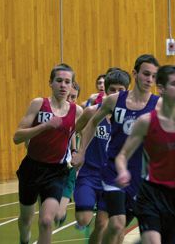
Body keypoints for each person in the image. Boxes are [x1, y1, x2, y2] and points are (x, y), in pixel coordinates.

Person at [115, 65, 175, 244]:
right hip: (151, 194)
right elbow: (122, 155)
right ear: (160, 88)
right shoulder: (146, 122)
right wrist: (123, 171)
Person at [72, 54, 160, 244]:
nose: (149, 79)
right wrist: (80, 152)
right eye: (146, 74)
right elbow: (92, 123)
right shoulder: (114, 101)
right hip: (113, 170)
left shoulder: (159, 105)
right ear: (135, 74)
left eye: (154, 76)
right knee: (113, 224)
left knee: (119, 230)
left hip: (141, 176)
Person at [13, 63, 83, 244]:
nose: (63, 85)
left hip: (56, 172)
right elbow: (17, 137)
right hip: (31, 168)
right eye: (59, 81)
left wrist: (79, 151)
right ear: (50, 83)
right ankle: (24, 240)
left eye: (67, 82)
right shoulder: (38, 104)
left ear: (72, 85)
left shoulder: (77, 111)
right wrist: (44, 126)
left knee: (46, 221)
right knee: (26, 219)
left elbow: (82, 132)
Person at [73, 69, 131, 244]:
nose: (115, 94)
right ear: (105, 91)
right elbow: (74, 130)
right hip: (90, 174)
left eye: (120, 90)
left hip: (114, 176)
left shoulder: (130, 117)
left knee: (108, 225)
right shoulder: (92, 111)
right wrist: (77, 151)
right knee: (84, 219)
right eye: (112, 89)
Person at [55, 81, 81, 226]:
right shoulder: (54, 113)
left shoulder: (78, 113)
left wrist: (75, 151)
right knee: (46, 216)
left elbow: (75, 136)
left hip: (68, 165)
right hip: (49, 166)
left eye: (74, 97)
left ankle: (62, 209)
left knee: (57, 214)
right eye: (68, 96)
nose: (70, 100)